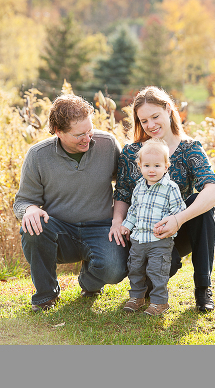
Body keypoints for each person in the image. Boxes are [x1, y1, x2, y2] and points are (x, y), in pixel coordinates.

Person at [111, 86, 215, 313]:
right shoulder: (132, 153)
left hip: (179, 228)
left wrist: (178, 220)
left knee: (203, 208)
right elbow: (122, 192)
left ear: (168, 110)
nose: (150, 125)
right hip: (146, 231)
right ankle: (144, 288)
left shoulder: (189, 149)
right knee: (163, 268)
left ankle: (203, 288)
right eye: (143, 121)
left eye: (155, 117)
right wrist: (117, 221)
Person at [14, 94, 128, 312]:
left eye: (89, 131)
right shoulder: (38, 155)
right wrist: (29, 210)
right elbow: (23, 200)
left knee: (114, 270)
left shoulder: (107, 144)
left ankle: (89, 282)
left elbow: (125, 185)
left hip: (101, 228)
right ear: (58, 131)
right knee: (32, 227)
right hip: (59, 231)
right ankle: (46, 295)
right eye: (79, 135)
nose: (87, 138)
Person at [119, 138, 186, 316]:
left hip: (159, 240)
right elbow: (133, 209)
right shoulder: (139, 187)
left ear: (166, 166)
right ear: (140, 166)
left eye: (157, 166)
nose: (151, 170)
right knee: (135, 268)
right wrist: (126, 225)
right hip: (138, 239)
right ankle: (137, 298)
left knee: (157, 271)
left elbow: (179, 210)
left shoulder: (170, 188)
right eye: (147, 165)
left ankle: (159, 302)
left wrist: (170, 223)